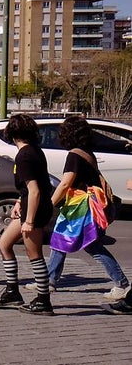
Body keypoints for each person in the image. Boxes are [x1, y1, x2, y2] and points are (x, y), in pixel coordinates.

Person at [38, 116, 129, 301]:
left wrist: (48, 205)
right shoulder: (86, 152)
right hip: (85, 204)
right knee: (60, 239)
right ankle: (50, 280)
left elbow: (65, 184)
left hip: (80, 206)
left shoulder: (74, 155)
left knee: (91, 244)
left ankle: (122, 284)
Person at [0, 113, 56, 315]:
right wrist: (20, 200)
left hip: (34, 210)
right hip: (29, 205)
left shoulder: (25, 155)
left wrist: (28, 221)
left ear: (11, 134)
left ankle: (43, 300)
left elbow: (35, 190)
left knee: (34, 255)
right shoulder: (33, 151)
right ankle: (12, 292)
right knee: (3, 244)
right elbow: (32, 186)